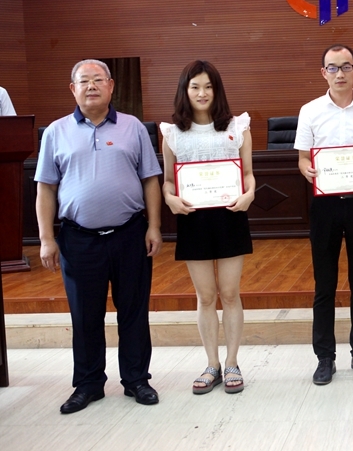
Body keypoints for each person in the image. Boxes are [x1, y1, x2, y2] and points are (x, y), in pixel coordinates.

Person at [35, 59, 163, 414]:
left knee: (133, 311)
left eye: (98, 80)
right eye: (83, 81)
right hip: (78, 239)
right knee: (85, 315)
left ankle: (136, 379)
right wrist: (46, 238)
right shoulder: (56, 132)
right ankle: (88, 384)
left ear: (111, 86)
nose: (91, 86)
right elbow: (46, 188)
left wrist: (154, 226)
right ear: (72, 89)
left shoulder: (133, 127)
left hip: (130, 234)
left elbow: (150, 179)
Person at [295, 44, 353, 385]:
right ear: (323, 73)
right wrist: (307, 170)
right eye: (332, 68)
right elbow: (303, 158)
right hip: (325, 206)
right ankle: (325, 357)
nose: (339, 73)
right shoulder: (310, 111)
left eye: (346, 66)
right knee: (325, 284)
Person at [161, 60, 255, 395]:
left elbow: (248, 173)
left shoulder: (238, 126)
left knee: (229, 293)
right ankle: (212, 364)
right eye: (195, 87)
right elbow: (169, 180)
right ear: (184, 91)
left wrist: (250, 193)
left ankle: (232, 362)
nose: (202, 93)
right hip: (193, 219)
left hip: (230, 215)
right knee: (205, 296)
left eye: (208, 87)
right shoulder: (172, 133)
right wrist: (169, 198)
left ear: (217, 90)